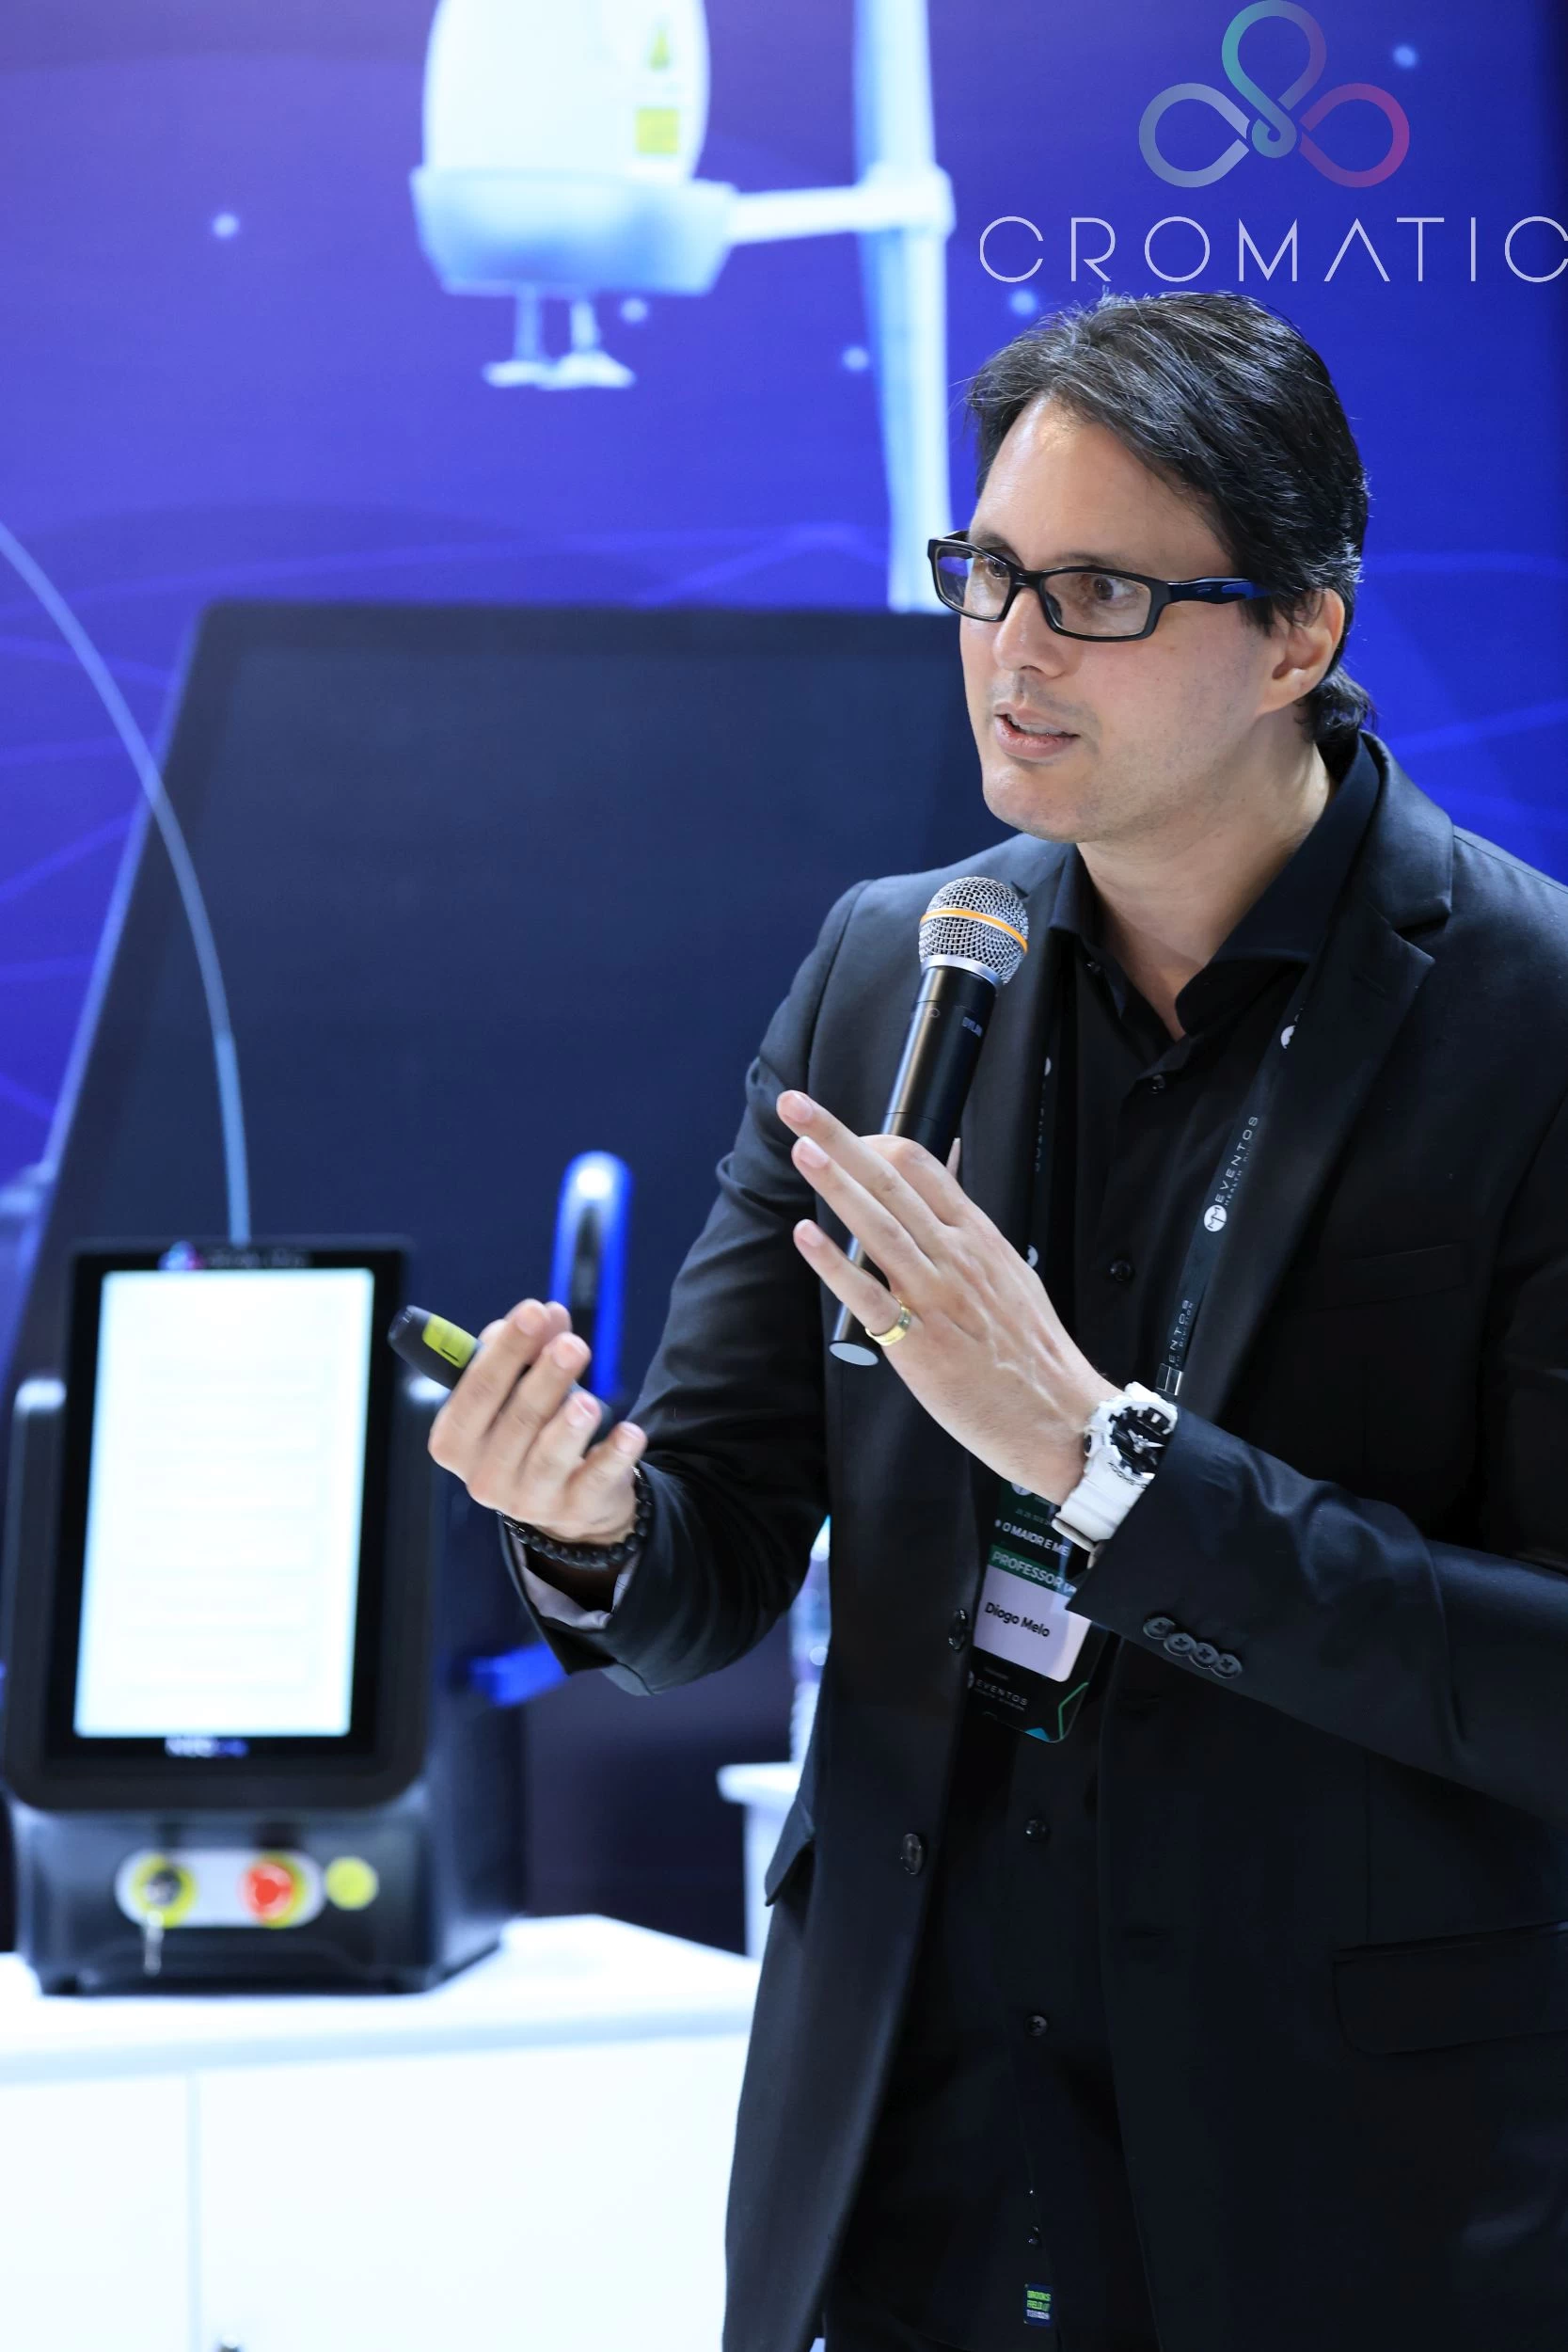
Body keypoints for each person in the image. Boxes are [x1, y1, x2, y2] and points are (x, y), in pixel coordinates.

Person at [429, 290, 1568, 2352]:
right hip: (911, 2133)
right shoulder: (889, 969)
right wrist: (584, 1525)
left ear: (1295, 635)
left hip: (1335, 2169)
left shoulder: (1525, 1020)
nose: (1010, 650)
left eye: (1098, 594)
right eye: (987, 573)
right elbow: (709, 1554)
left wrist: (1100, 1466)